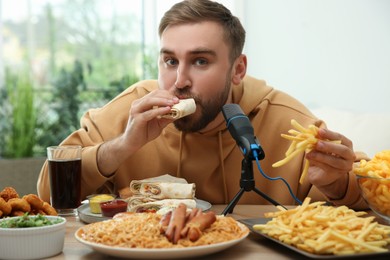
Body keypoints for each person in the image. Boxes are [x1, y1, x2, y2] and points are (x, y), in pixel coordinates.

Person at [37, 0, 367, 210]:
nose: (179, 80)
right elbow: (48, 191)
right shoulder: (130, 110)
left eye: (200, 61)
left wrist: (338, 183)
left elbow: (369, 201)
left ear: (238, 69)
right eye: (169, 60)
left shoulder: (290, 123)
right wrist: (122, 147)